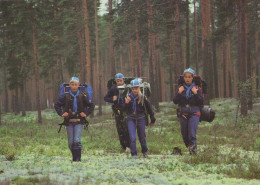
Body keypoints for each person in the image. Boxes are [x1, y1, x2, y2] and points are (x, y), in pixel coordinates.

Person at [54, 77, 95, 162]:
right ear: (69, 85)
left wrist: (86, 113)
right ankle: (74, 158)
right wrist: (61, 113)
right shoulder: (66, 96)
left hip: (79, 121)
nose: (74, 86)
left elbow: (91, 105)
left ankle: (77, 160)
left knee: (77, 140)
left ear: (78, 85)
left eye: (75, 85)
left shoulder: (82, 96)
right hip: (69, 122)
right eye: (72, 84)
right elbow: (56, 105)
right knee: (70, 143)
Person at [121, 78, 156, 158]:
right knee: (132, 137)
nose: (134, 90)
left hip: (141, 118)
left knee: (142, 137)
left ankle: (145, 152)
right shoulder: (128, 97)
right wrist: (126, 103)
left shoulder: (143, 97)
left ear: (139, 88)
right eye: (133, 89)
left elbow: (149, 108)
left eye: (136, 88)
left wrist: (152, 118)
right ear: (131, 89)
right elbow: (123, 109)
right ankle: (134, 154)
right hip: (131, 119)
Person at [173, 68, 204, 154]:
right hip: (183, 113)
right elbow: (175, 101)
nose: (187, 79)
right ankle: (190, 147)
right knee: (184, 134)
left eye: (189, 77)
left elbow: (201, 101)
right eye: (185, 77)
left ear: (192, 78)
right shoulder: (181, 88)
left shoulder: (197, 88)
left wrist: (195, 93)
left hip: (194, 112)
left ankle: (193, 151)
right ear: (183, 78)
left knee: (192, 132)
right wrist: (179, 93)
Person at [104, 73, 130, 151]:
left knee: (127, 128)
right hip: (117, 111)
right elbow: (105, 98)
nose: (119, 82)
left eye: (120, 80)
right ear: (115, 81)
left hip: (126, 111)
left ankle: (129, 146)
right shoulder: (113, 88)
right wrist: (112, 99)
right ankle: (123, 147)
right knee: (120, 129)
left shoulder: (127, 88)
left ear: (123, 80)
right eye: (117, 81)